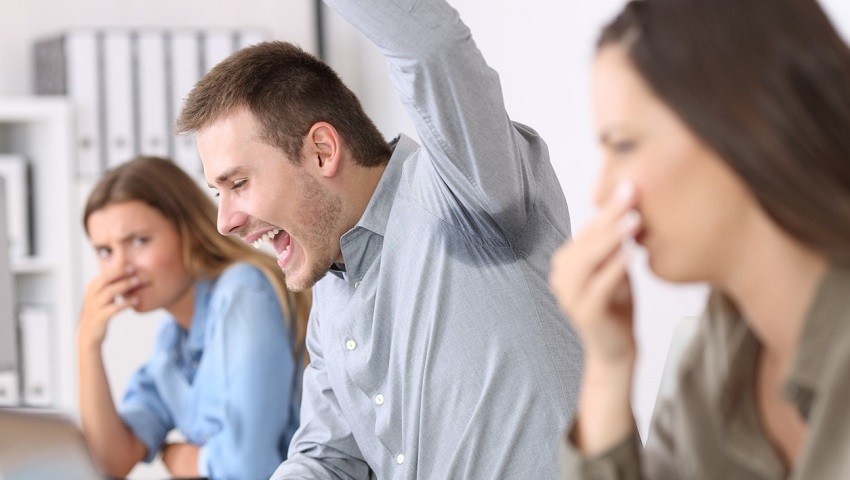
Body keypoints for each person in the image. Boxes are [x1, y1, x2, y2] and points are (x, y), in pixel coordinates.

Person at [175, 0, 584, 477]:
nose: (224, 222)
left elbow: (430, 45)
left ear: (322, 151)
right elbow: (327, 460)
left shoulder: (464, 189)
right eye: (217, 191)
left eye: (238, 184)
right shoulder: (332, 293)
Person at [550, 0, 850, 478]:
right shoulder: (711, 362)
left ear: (745, 125)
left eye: (624, 144)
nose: (601, 191)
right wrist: (608, 370)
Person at [77, 156, 312, 480]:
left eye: (139, 241)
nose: (120, 268)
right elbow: (111, 463)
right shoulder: (171, 343)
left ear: (186, 230)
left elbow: (249, 468)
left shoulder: (241, 292)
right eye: (105, 251)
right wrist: (87, 346)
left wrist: (182, 458)